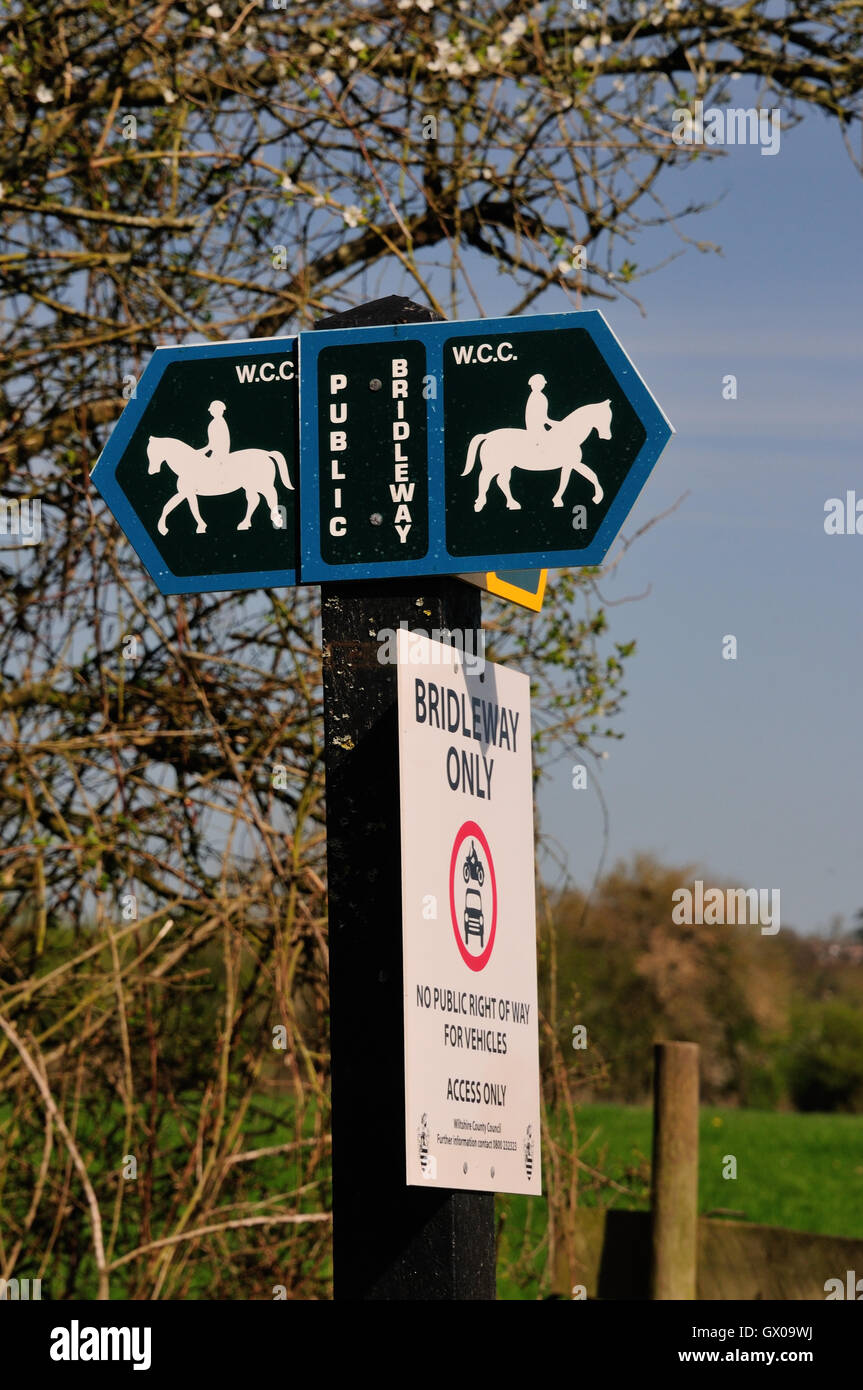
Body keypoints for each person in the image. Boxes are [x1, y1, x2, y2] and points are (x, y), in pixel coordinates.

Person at [524, 373, 558, 447]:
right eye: (538, 383)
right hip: (536, 429)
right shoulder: (539, 397)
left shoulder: (534, 395)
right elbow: (541, 418)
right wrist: (555, 424)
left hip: (535, 428)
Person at [201, 400, 230, 469]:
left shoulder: (216, 423)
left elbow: (213, 445)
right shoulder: (219, 421)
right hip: (220, 453)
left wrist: (200, 452)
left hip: (219, 455)